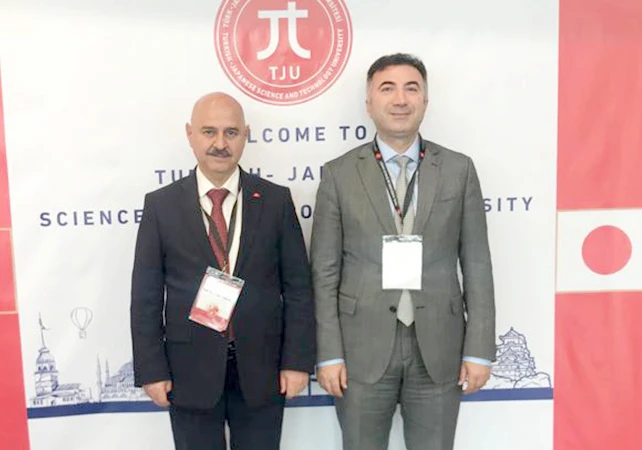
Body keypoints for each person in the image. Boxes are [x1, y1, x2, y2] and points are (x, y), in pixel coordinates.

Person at [310, 53, 496, 450]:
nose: (400, 99)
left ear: (425, 101)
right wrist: (329, 355)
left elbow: (477, 264)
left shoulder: (458, 170)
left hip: (439, 348)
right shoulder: (338, 174)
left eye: (411, 89)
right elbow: (324, 273)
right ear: (369, 103)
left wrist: (480, 350)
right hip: (360, 350)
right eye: (387, 88)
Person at [130, 92, 315, 450]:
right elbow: (146, 296)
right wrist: (152, 370)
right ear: (190, 134)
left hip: (262, 369)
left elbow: (298, 289)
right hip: (188, 371)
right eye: (208, 131)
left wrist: (296, 362)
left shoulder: (275, 200)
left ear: (246, 135)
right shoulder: (161, 206)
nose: (220, 143)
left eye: (231, 132)